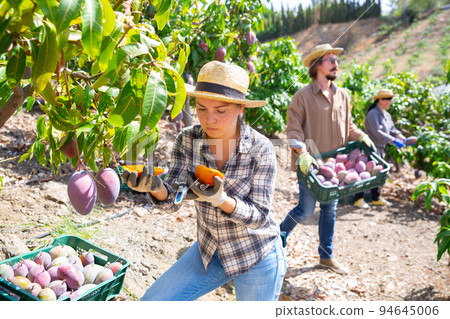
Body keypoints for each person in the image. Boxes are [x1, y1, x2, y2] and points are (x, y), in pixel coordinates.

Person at [122, 61, 286, 301]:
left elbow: (260, 216)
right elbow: (174, 198)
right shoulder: (187, 140)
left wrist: (222, 200)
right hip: (211, 250)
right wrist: (156, 187)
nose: (210, 120)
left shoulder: (261, 149)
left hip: (256, 254)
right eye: (201, 109)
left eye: (221, 111)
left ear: (241, 108)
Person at [279, 44, 376, 275]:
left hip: (335, 167)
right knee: (305, 209)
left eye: (336, 60)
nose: (336, 63)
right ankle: (277, 238)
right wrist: (302, 152)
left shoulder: (343, 95)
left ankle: (326, 256)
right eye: (330, 59)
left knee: (329, 209)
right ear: (317, 65)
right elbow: (292, 131)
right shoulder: (302, 97)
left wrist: (361, 135)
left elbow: (348, 126)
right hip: (310, 164)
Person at [354, 89, 406, 208]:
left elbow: (392, 129)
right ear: (379, 100)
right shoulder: (373, 113)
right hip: (370, 148)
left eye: (390, 99)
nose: (389, 102)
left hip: (380, 148)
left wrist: (402, 137)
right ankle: (359, 198)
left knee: (377, 172)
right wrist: (393, 140)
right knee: (365, 172)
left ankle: (375, 198)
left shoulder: (386, 115)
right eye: (387, 99)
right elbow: (376, 131)